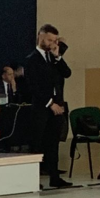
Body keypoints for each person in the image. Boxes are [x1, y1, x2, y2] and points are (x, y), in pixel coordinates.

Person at [25, 24, 73, 188]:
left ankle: (54, 177)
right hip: (41, 107)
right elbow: (33, 86)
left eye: (55, 40)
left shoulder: (53, 58)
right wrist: (50, 103)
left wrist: (58, 57)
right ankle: (33, 179)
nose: (53, 43)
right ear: (41, 37)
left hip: (57, 106)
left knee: (53, 142)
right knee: (37, 143)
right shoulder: (32, 59)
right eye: (50, 40)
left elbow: (67, 73)